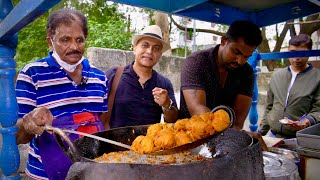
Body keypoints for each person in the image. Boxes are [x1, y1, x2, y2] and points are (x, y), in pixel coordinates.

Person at [15, 9, 108, 179]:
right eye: (65, 40)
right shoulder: (32, 74)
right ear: (50, 42)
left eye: (79, 40)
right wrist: (31, 122)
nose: (74, 47)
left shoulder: (99, 77)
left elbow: (100, 122)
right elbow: (17, 136)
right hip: (43, 175)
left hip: (90, 174)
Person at [179, 20, 262, 130]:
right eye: (236, 52)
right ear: (223, 41)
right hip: (190, 137)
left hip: (225, 140)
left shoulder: (247, 72)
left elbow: (238, 121)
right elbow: (198, 111)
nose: (240, 61)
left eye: (247, 56)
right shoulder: (196, 62)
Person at [105, 25, 178, 129]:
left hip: (149, 144)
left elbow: (173, 121)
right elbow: (95, 112)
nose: (149, 51)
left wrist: (167, 104)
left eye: (156, 48)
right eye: (145, 45)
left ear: (160, 55)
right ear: (134, 48)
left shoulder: (164, 84)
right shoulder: (113, 75)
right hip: (114, 143)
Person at [258, 34, 320, 138]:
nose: (296, 58)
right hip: (274, 135)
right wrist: (261, 133)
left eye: (302, 53)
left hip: (300, 137)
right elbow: (269, 107)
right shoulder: (277, 76)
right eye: (292, 53)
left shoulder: (317, 77)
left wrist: (307, 121)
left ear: (309, 51)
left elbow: (318, 109)